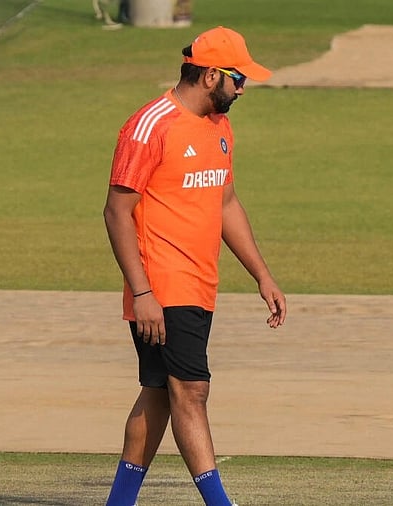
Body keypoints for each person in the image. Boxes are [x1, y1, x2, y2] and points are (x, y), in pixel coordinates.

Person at [102, 26, 287, 506]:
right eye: (238, 78)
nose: (243, 88)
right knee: (193, 392)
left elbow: (226, 204)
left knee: (160, 395)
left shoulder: (218, 127)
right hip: (162, 288)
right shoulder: (149, 125)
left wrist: (262, 275)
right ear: (210, 75)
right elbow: (116, 211)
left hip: (201, 285)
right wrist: (142, 293)